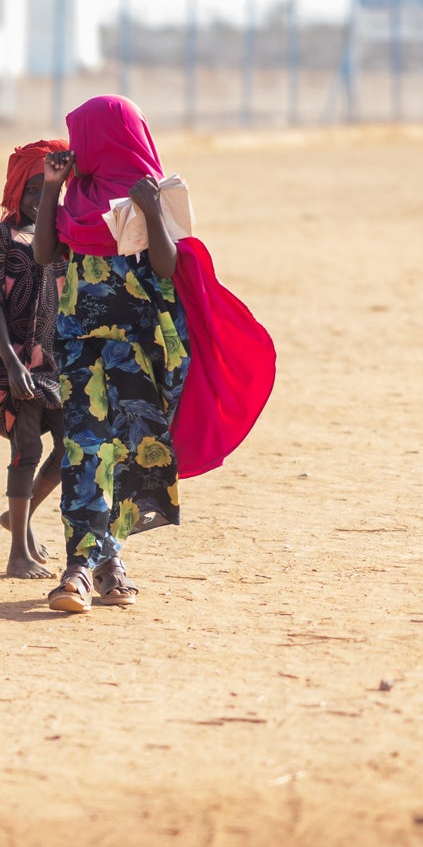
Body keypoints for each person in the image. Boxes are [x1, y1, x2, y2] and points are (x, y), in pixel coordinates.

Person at [33, 95, 275, 614]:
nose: (76, 148)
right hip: (79, 345)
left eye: (83, 138)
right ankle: (77, 567)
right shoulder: (76, 196)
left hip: (138, 352)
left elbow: (165, 266)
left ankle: (109, 561)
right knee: (83, 449)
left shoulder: (151, 194)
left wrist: (147, 209)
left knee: (126, 454)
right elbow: (46, 253)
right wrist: (52, 188)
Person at [0, 139, 69, 580]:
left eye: (46, 191)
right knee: (26, 449)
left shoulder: (59, 238)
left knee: (70, 447)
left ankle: (20, 517)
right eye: (31, 191)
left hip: (54, 364)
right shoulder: (2, 237)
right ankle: (16, 555)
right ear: (14, 190)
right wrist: (10, 363)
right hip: (15, 363)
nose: (38, 200)